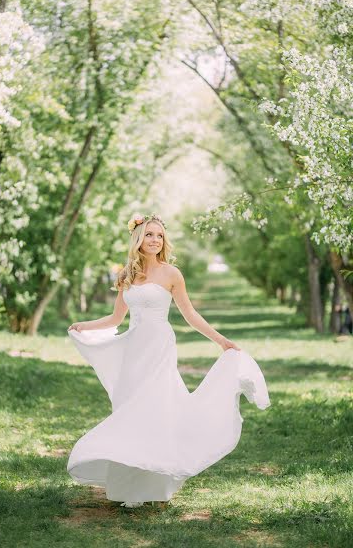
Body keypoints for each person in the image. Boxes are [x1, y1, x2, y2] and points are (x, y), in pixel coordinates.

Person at [67, 213, 271, 508]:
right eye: (149, 234)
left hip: (159, 347)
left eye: (159, 235)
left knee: (156, 408)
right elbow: (116, 318)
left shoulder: (172, 274)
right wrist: (85, 325)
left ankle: (159, 483)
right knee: (131, 411)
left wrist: (222, 341)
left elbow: (190, 315)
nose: (154, 240)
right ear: (138, 239)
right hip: (134, 349)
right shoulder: (127, 275)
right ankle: (133, 489)